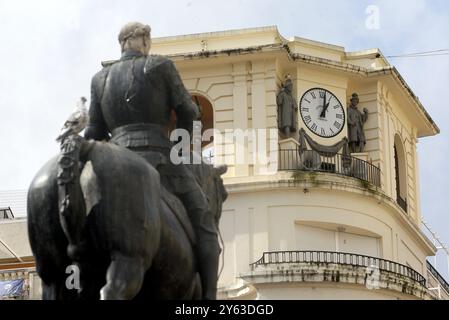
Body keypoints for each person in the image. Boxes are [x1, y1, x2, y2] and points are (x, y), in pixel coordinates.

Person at [84, 22, 219, 300]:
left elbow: (94, 132)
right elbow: (187, 112)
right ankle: (209, 299)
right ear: (143, 40)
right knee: (205, 222)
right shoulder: (160, 66)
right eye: (147, 39)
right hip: (160, 159)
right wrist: (182, 138)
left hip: (115, 157)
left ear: (121, 43)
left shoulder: (100, 79)